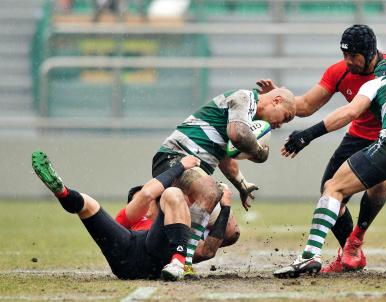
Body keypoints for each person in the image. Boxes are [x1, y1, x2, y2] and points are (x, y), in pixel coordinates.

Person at [273, 56, 386, 278]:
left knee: (333, 187)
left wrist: (309, 134)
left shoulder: (377, 82)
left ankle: (310, 255)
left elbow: (350, 112)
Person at [257, 24, 386, 273]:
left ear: (371, 52)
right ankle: (351, 255)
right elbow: (307, 105)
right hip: (357, 136)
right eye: (344, 55)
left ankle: (357, 239)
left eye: (354, 56)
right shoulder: (340, 71)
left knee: (378, 187)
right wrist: (277, 99)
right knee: (329, 193)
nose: (348, 61)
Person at [147, 87, 296, 272]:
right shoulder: (245, 97)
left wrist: (242, 185)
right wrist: (260, 152)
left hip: (197, 171)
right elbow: (238, 135)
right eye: (286, 117)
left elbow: (227, 159)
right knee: (211, 192)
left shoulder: (243, 117)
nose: (281, 124)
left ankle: (168, 259)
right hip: (175, 158)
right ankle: (182, 261)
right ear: (276, 101)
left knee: (229, 232)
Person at [32, 149, 202, 281]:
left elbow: (206, 249)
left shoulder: (173, 220)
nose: (145, 205)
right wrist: (181, 166)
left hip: (156, 252)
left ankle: (177, 262)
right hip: (125, 253)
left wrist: (223, 207)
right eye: (135, 202)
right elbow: (147, 194)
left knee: (173, 193)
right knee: (88, 204)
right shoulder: (129, 217)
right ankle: (62, 192)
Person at [116, 183, 240, 264]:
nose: (141, 205)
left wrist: (226, 207)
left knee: (232, 233)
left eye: (146, 201)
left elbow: (206, 252)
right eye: (136, 202)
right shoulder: (127, 223)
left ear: (159, 203)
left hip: (171, 246)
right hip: (141, 261)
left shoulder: (176, 223)